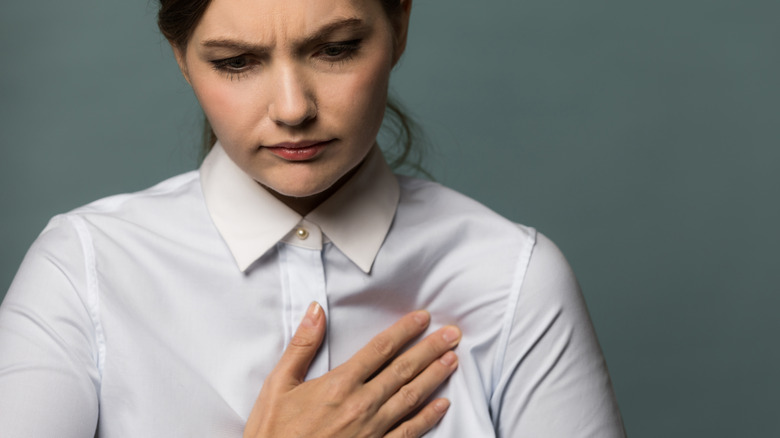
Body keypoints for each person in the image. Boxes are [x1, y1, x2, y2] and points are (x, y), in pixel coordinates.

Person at [0, 0, 625, 436]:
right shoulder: (83, 271)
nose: (293, 108)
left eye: (335, 49)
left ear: (399, 24)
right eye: (237, 62)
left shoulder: (512, 277)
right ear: (181, 56)